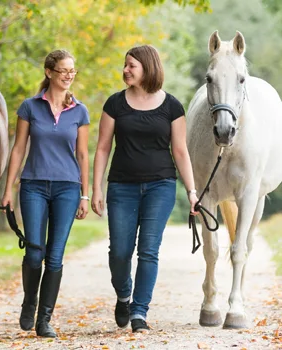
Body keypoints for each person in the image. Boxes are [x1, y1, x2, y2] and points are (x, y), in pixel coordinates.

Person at [91, 44, 199, 333]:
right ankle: (124, 295)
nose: (125, 70)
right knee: (120, 252)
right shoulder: (115, 104)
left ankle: (139, 312)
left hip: (160, 186)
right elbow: (102, 149)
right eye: (125, 65)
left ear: (147, 67)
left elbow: (180, 151)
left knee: (149, 251)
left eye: (131, 65)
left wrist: (192, 191)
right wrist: (96, 189)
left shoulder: (172, 107)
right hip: (121, 187)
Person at [1, 49, 91, 338]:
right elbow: (18, 149)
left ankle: (44, 319)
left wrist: (85, 194)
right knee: (33, 252)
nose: (69, 75)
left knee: (55, 256)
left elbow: (83, 154)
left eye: (72, 70)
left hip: (67, 187)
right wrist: (7, 189)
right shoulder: (29, 107)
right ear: (49, 72)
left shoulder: (80, 110)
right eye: (64, 70)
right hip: (34, 186)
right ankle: (30, 301)